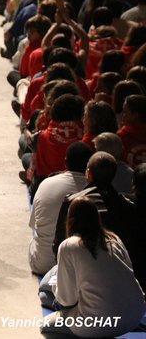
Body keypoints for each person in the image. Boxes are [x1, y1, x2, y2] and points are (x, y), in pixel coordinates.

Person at [40, 197, 145, 337]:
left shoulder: (69, 246)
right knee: (48, 293)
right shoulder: (114, 239)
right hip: (133, 316)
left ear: (70, 220)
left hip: (99, 321)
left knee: (45, 321)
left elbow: (67, 300)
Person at [28, 142, 91, 275]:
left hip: (43, 263)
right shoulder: (94, 193)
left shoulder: (46, 184)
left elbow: (34, 225)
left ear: (65, 162)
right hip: (80, 268)